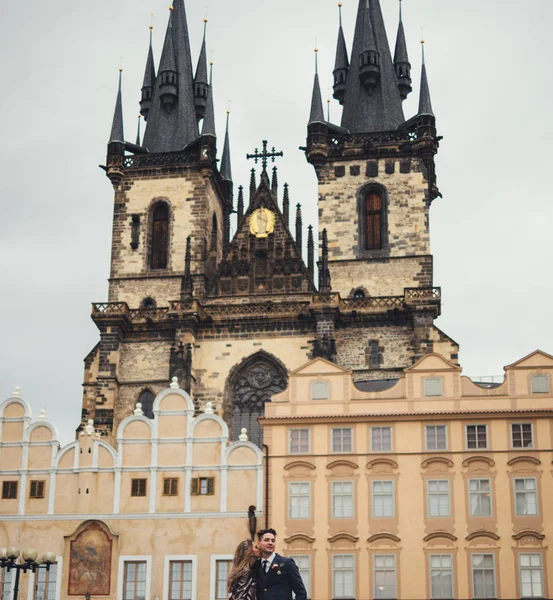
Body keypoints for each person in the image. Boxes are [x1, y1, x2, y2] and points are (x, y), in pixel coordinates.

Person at [255, 529, 307, 600]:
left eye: (273, 541)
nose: (270, 543)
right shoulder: (256, 565)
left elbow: (301, 592)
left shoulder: (287, 563)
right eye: (266, 540)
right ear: (259, 543)